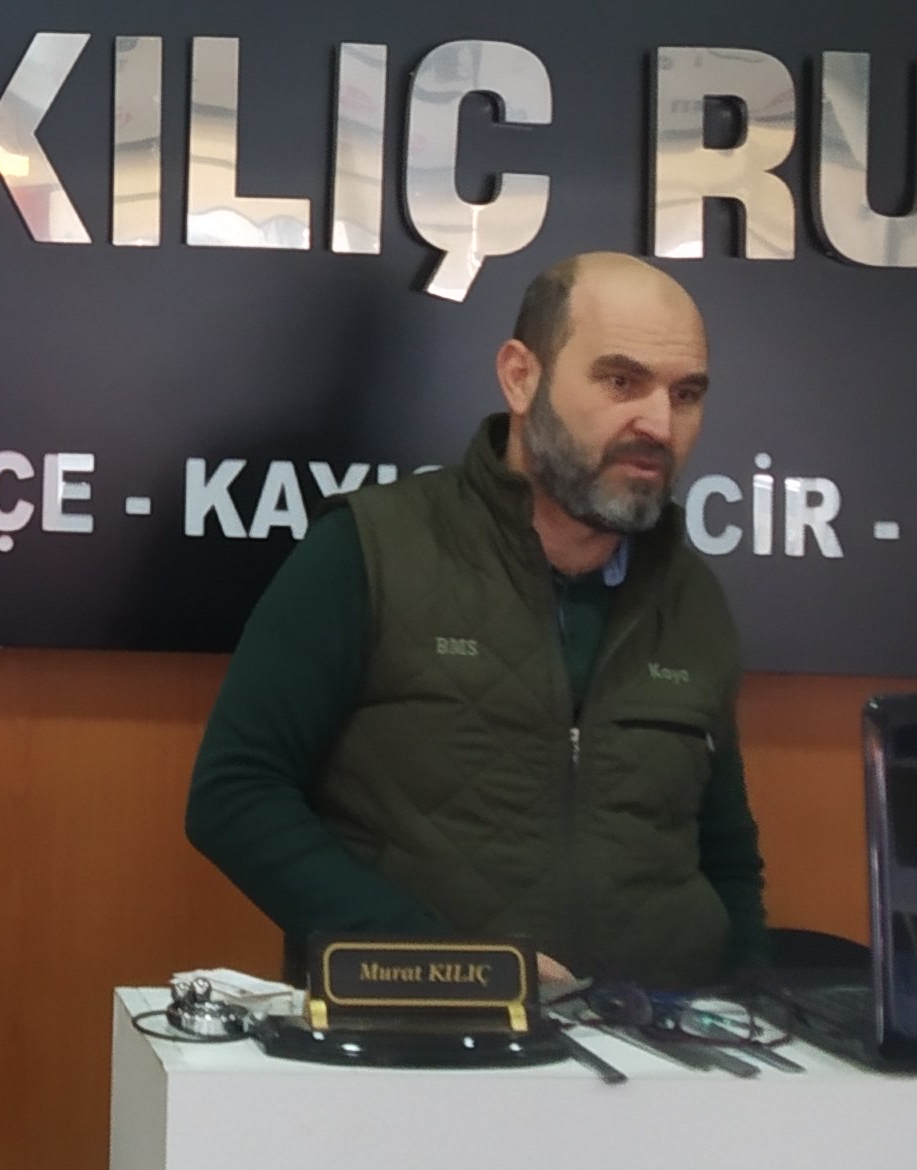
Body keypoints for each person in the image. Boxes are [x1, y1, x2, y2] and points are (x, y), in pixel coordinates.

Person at [184, 248, 763, 990]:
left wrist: (753, 1003)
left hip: (664, 1043)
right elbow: (236, 795)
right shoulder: (370, 550)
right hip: (421, 1036)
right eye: (621, 381)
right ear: (521, 377)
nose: (657, 422)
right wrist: (449, 969)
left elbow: (727, 855)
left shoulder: (692, 595)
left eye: (686, 394)